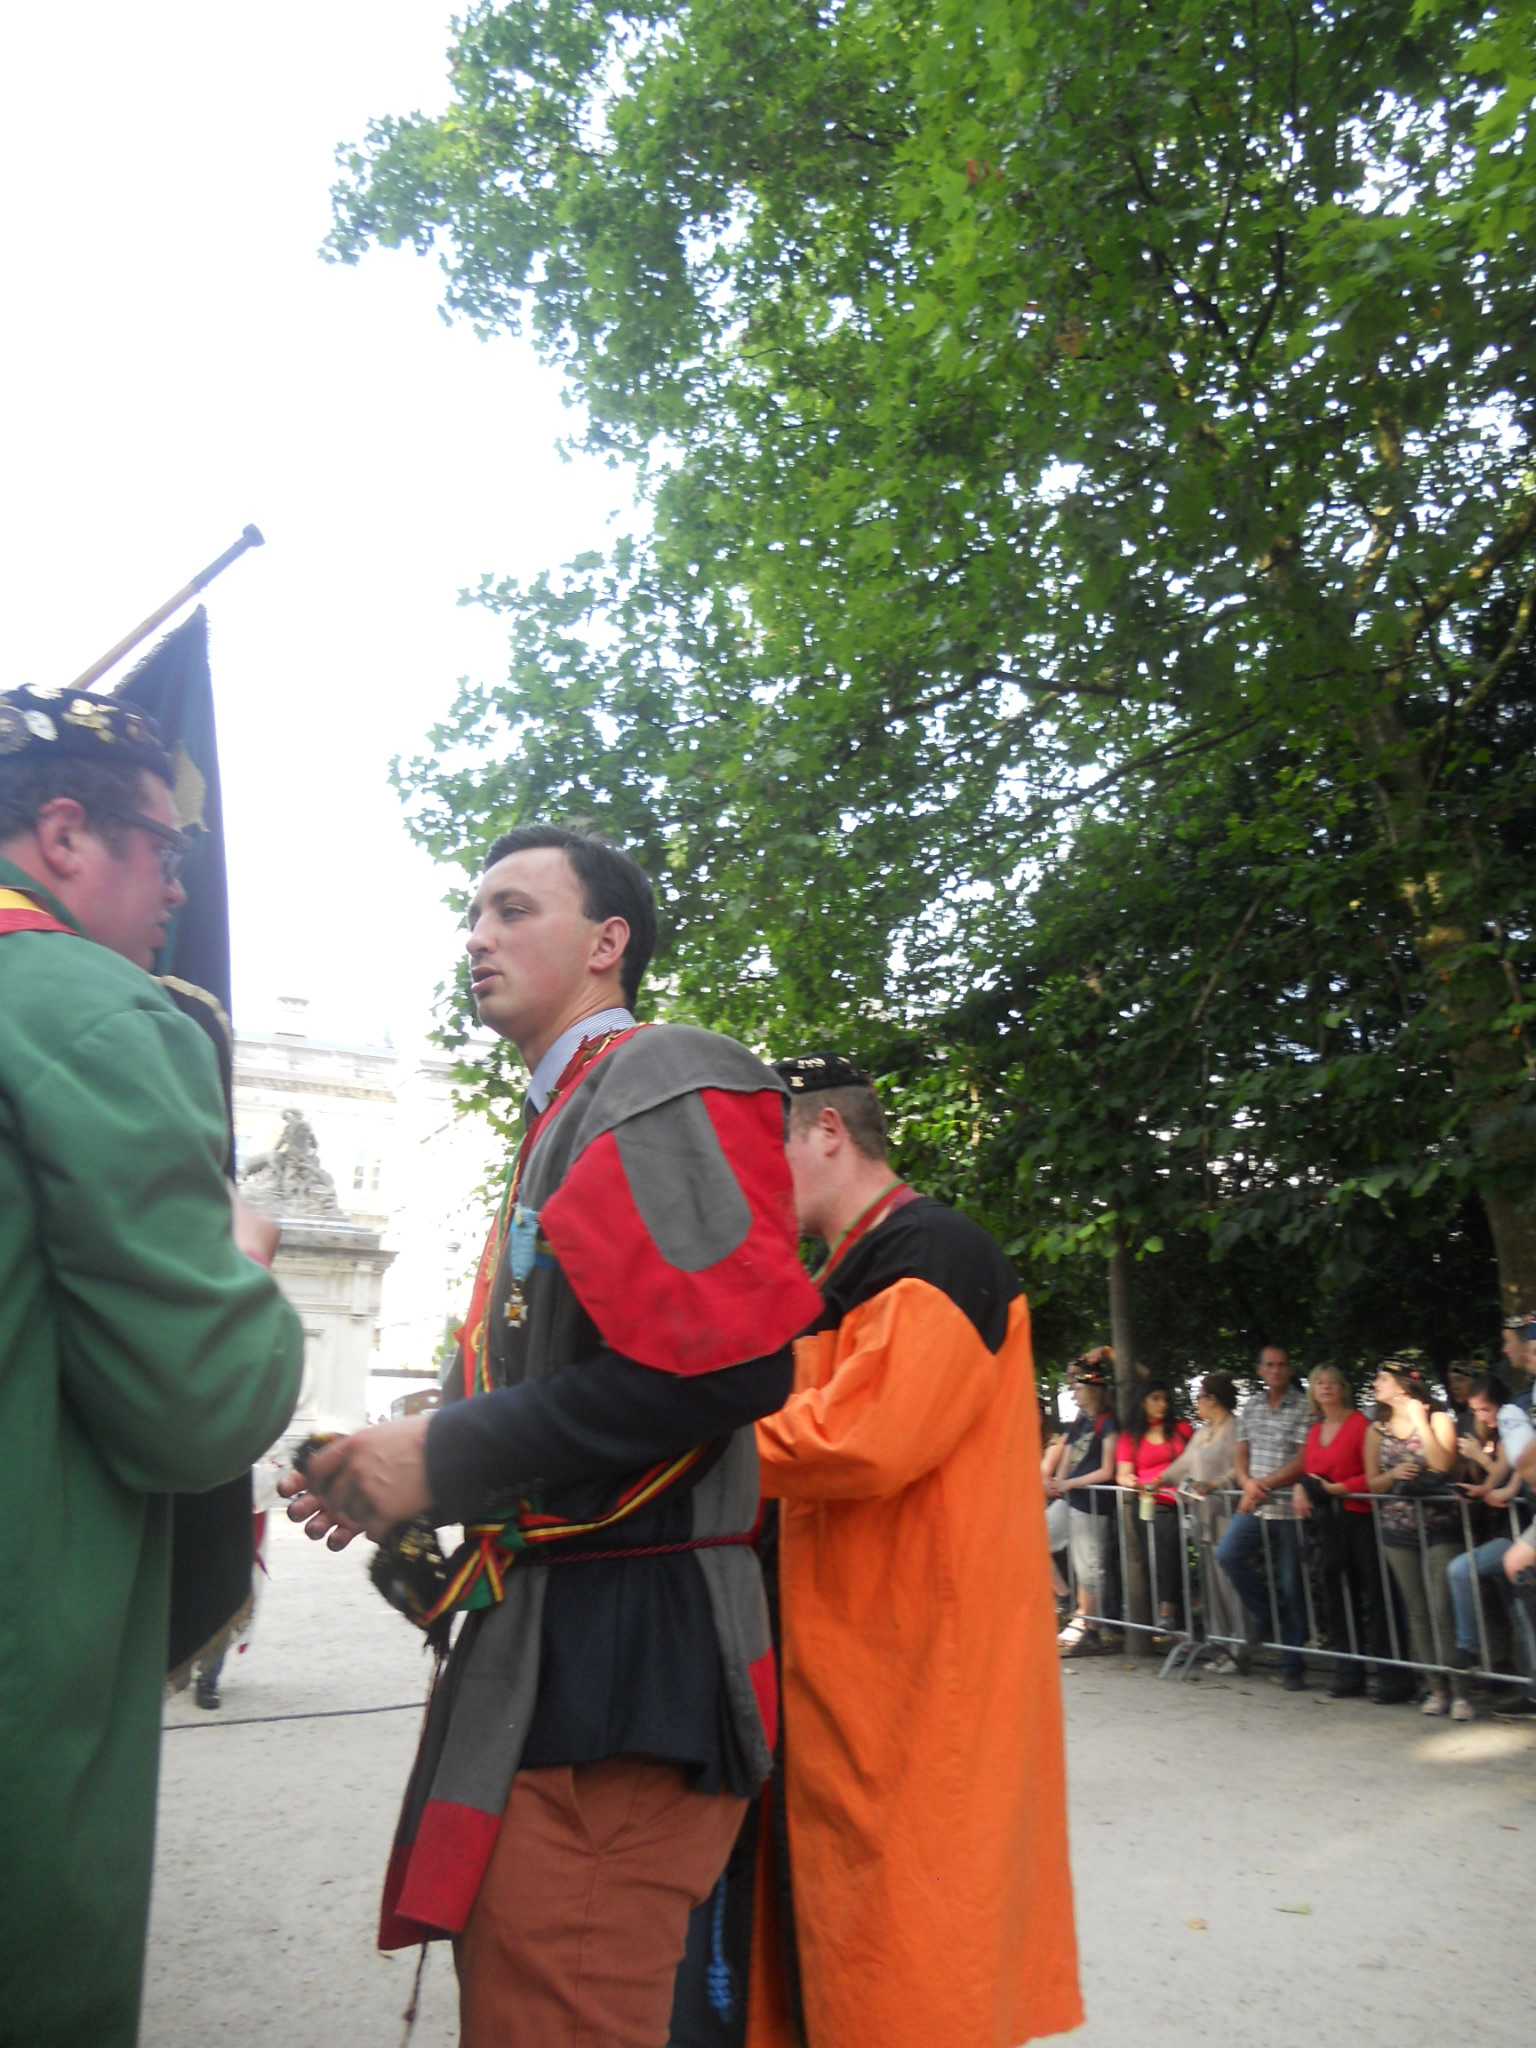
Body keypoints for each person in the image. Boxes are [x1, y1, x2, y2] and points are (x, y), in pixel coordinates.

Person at [282, 824, 820, 2048]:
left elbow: (735, 1367)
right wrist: (402, 1460)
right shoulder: (568, 1109)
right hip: (588, 1641)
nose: (477, 937)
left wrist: (443, 1455)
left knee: (557, 2010)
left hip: (629, 1655)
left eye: (514, 909)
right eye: (472, 915)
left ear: (607, 942)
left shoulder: (658, 1068)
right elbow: (594, 1384)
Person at [0, 684, 304, 2047]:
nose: (181, 888)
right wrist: (243, 1263)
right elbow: (196, 1402)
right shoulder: (95, 1009)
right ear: (64, 835)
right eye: (162, 848)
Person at [739, 1056, 1080, 2048]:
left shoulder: (933, 1250)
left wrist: (676, 1442)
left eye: (764, 1151)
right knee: (856, 1940)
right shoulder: (849, 1269)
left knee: (915, 1948)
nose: (752, 1179)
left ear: (828, 1131)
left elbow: (861, 1439)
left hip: (920, 1665)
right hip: (856, 1655)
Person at [1291, 1366, 1407, 1702]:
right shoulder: (1315, 1431)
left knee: (1378, 1595)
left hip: (1362, 1518)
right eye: (1319, 1383)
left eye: (1332, 1382)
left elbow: (1372, 1474)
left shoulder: (1360, 1425)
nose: (1325, 1387)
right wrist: (1302, 1487)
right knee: (1338, 1596)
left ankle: (1394, 1675)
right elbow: (1311, 1473)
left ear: (1343, 1389)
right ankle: (1349, 1670)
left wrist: (1338, 1489)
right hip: (1330, 1523)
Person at [1364, 1359, 1465, 1717]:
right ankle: (1436, 1687)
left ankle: (1461, 1690)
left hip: (1440, 1526)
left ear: (1403, 1385)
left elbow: (1442, 1464)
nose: (1376, 1383)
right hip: (1398, 1528)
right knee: (1418, 1611)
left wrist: (1420, 1421)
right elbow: (1372, 1482)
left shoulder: (1438, 1419)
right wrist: (1393, 1474)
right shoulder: (1376, 1429)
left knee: (1443, 1608)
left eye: (1383, 1378)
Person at [1216, 1346, 1312, 1689]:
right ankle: (1270, 1616)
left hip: (1288, 1508)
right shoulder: (1252, 1406)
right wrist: (1246, 1483)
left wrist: (1261, 1486)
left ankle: (1292, 1665)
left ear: (1290, 1370)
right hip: (1257, 1503)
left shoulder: (1304, 1406)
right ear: (1260, 1370)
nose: (1276, 1370)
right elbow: (1241, 1452)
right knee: (1228, 1555)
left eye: (1282, 1365)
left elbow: (1303, 1461)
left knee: (1292, 1585)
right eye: (1270, 1365)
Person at [1445, 1372, 1536, 1703]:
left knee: (1463, 1571)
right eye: (1476, 1410)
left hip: (1516, 1530)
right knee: (1520, 1612)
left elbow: (1517, 1464)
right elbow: (1512, 1467)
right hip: (1506, 1530)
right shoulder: (1501, 1428)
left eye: (1484, 1409)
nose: (1481, 1417)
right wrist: (1484, 1488)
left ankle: (1467, 1649)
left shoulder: (1512, 1416)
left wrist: (1494, 1480)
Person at [1160, 1371, 1245, 1669]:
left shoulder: (1235, 1429)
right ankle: (1220, 1645)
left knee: (1230, 1583)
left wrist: (1217, 1484)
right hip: (1204, 1516)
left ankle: (1239, 1648)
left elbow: (1240, 1468)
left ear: (1213, 1399)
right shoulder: (1201, 1433)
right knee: (1211, 1584)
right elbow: (1183, 1464)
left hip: (1227, 1513)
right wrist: (1160, 1480)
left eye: (1199, 1398)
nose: (1197, 1403)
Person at [1047, 1353, 1120, 1654]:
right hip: (1071, 1497)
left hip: (1092, 1501)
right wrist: (1059, 1483)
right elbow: (1068, 1455)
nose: (1074, 1394)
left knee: (1089, 1568)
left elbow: (1107, 1470)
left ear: (1092, 1390)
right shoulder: (1080, 1422)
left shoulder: (1108, 1422)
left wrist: (1068, 1483)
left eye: (1078, 1388)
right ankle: (1065, 1598)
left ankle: (1091, 1629)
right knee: (1032, 1537)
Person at [1115, 1380, 1193, 1636]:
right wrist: (1131, 1482)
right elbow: (1123, 1473)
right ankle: (1174, 1624)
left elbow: (1199, 1459)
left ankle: (1170, 1613)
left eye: (1165, 1399)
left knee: (1173, 1558)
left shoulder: (1181, 1429)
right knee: (1161, 1560)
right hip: (1152, 1503)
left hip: (1185, 1501)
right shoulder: (1130, 1436)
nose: (1163, 1404)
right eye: (1155, 1398)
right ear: (1142, 1402)